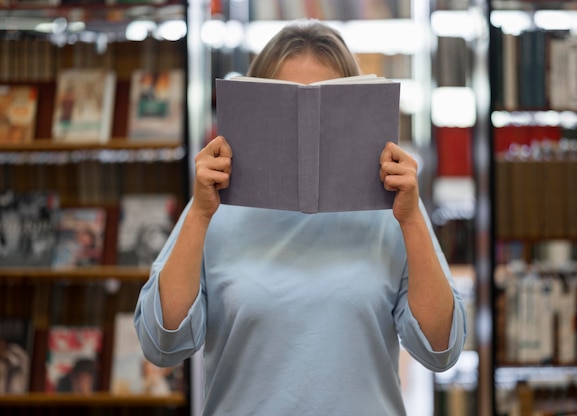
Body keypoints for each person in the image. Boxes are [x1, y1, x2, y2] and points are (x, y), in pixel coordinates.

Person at [134, 19, 467, 415]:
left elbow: (441, 349)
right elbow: (162, 345)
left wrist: (411, 219)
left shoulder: (394, 209)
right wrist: (200, 215)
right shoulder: (212, 207)